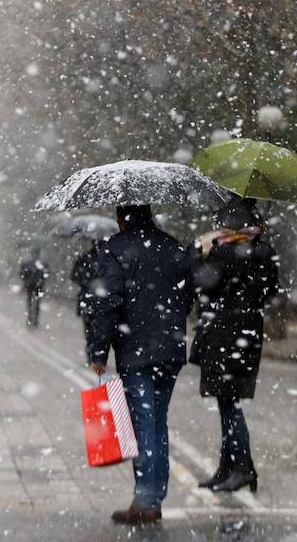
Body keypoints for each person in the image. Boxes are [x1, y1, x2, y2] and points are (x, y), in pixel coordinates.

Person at [90, 204, 194, 526]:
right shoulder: (174, 246)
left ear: (122, 218)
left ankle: (146, 500)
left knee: (142, 424)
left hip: (136, 351)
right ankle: (154, 496)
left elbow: (106, 301)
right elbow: (187, 296)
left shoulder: (113, 248)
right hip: (170, 349)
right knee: (157, 422)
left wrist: (98, 352)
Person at [190, 198, 279, 494]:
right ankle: (231, 468)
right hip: (248, 333)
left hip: (224, 334)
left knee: (228, 404)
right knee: (229, 401)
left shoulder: (223, 252)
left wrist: (201, 253)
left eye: (224, 224)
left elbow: (201, 283)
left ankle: (239, 469)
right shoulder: (264, 251)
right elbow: (270, 291)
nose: (220, 228)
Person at [70, 241, 100, 360]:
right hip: (101, 300)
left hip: (86, 298)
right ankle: (97, 353)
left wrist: (84, 281)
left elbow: (73, 276)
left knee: (88, 327)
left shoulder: (83, 258)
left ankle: (90, 351)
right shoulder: (108, 260)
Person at [20, 249, 48, 328]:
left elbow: (22, 272)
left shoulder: (27, 262)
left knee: (29, 301)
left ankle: (30, 317)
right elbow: (46, 273)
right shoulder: (42, 263)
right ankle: (35, 319)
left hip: (30, 285)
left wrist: (25, 282)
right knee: (37, 303)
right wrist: (42, 281)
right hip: (39, 285)